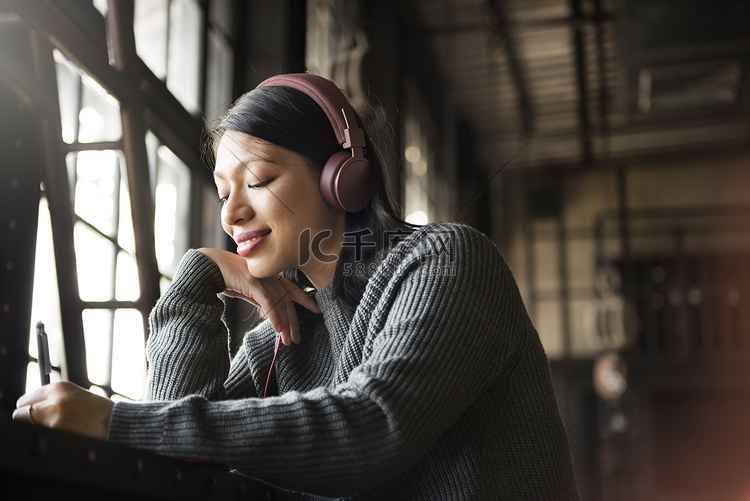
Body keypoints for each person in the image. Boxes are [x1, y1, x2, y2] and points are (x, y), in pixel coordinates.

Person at [13, 73, 579, 500]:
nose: (231, 213)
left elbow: (371, 428)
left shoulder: (447, 265)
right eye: (222, 191)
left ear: (342, 179)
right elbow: (178, 458)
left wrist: (114, 422)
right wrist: (197, 278)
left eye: (258, 180)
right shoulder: (279, 341)